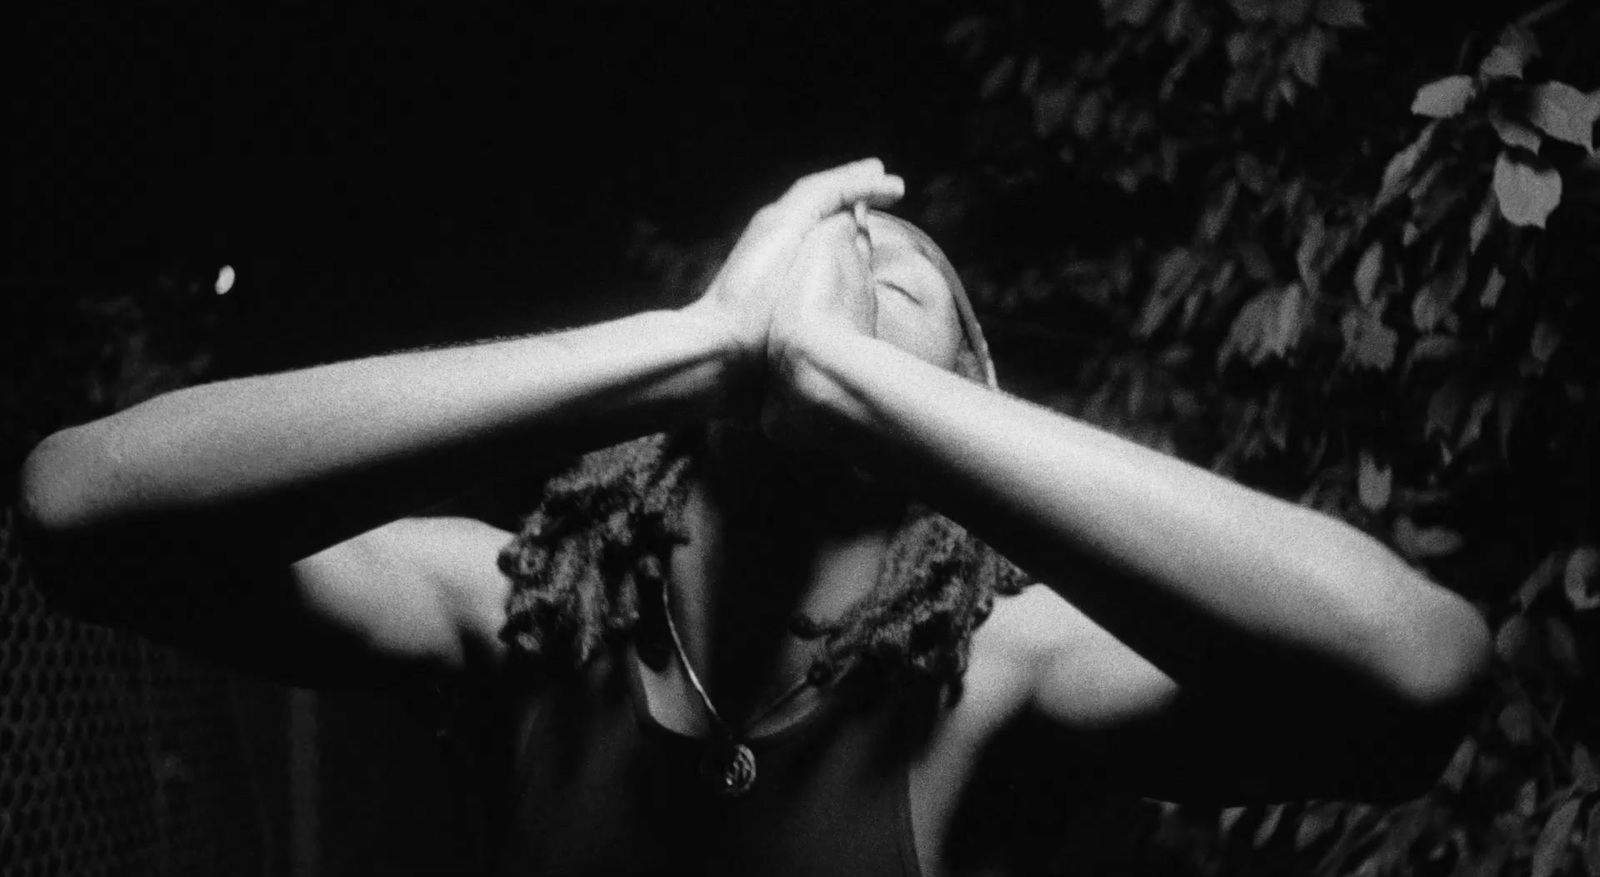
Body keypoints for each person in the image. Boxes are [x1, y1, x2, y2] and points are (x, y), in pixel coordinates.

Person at [20, 159, 1490, 876]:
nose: (855, 257)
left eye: (906, 273)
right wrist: (692, 342)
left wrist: (842, 372)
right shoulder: (526, 615)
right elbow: (78, 505)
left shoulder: (998, 680)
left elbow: (1414, 670)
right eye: (811, 256)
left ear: (966, 404)